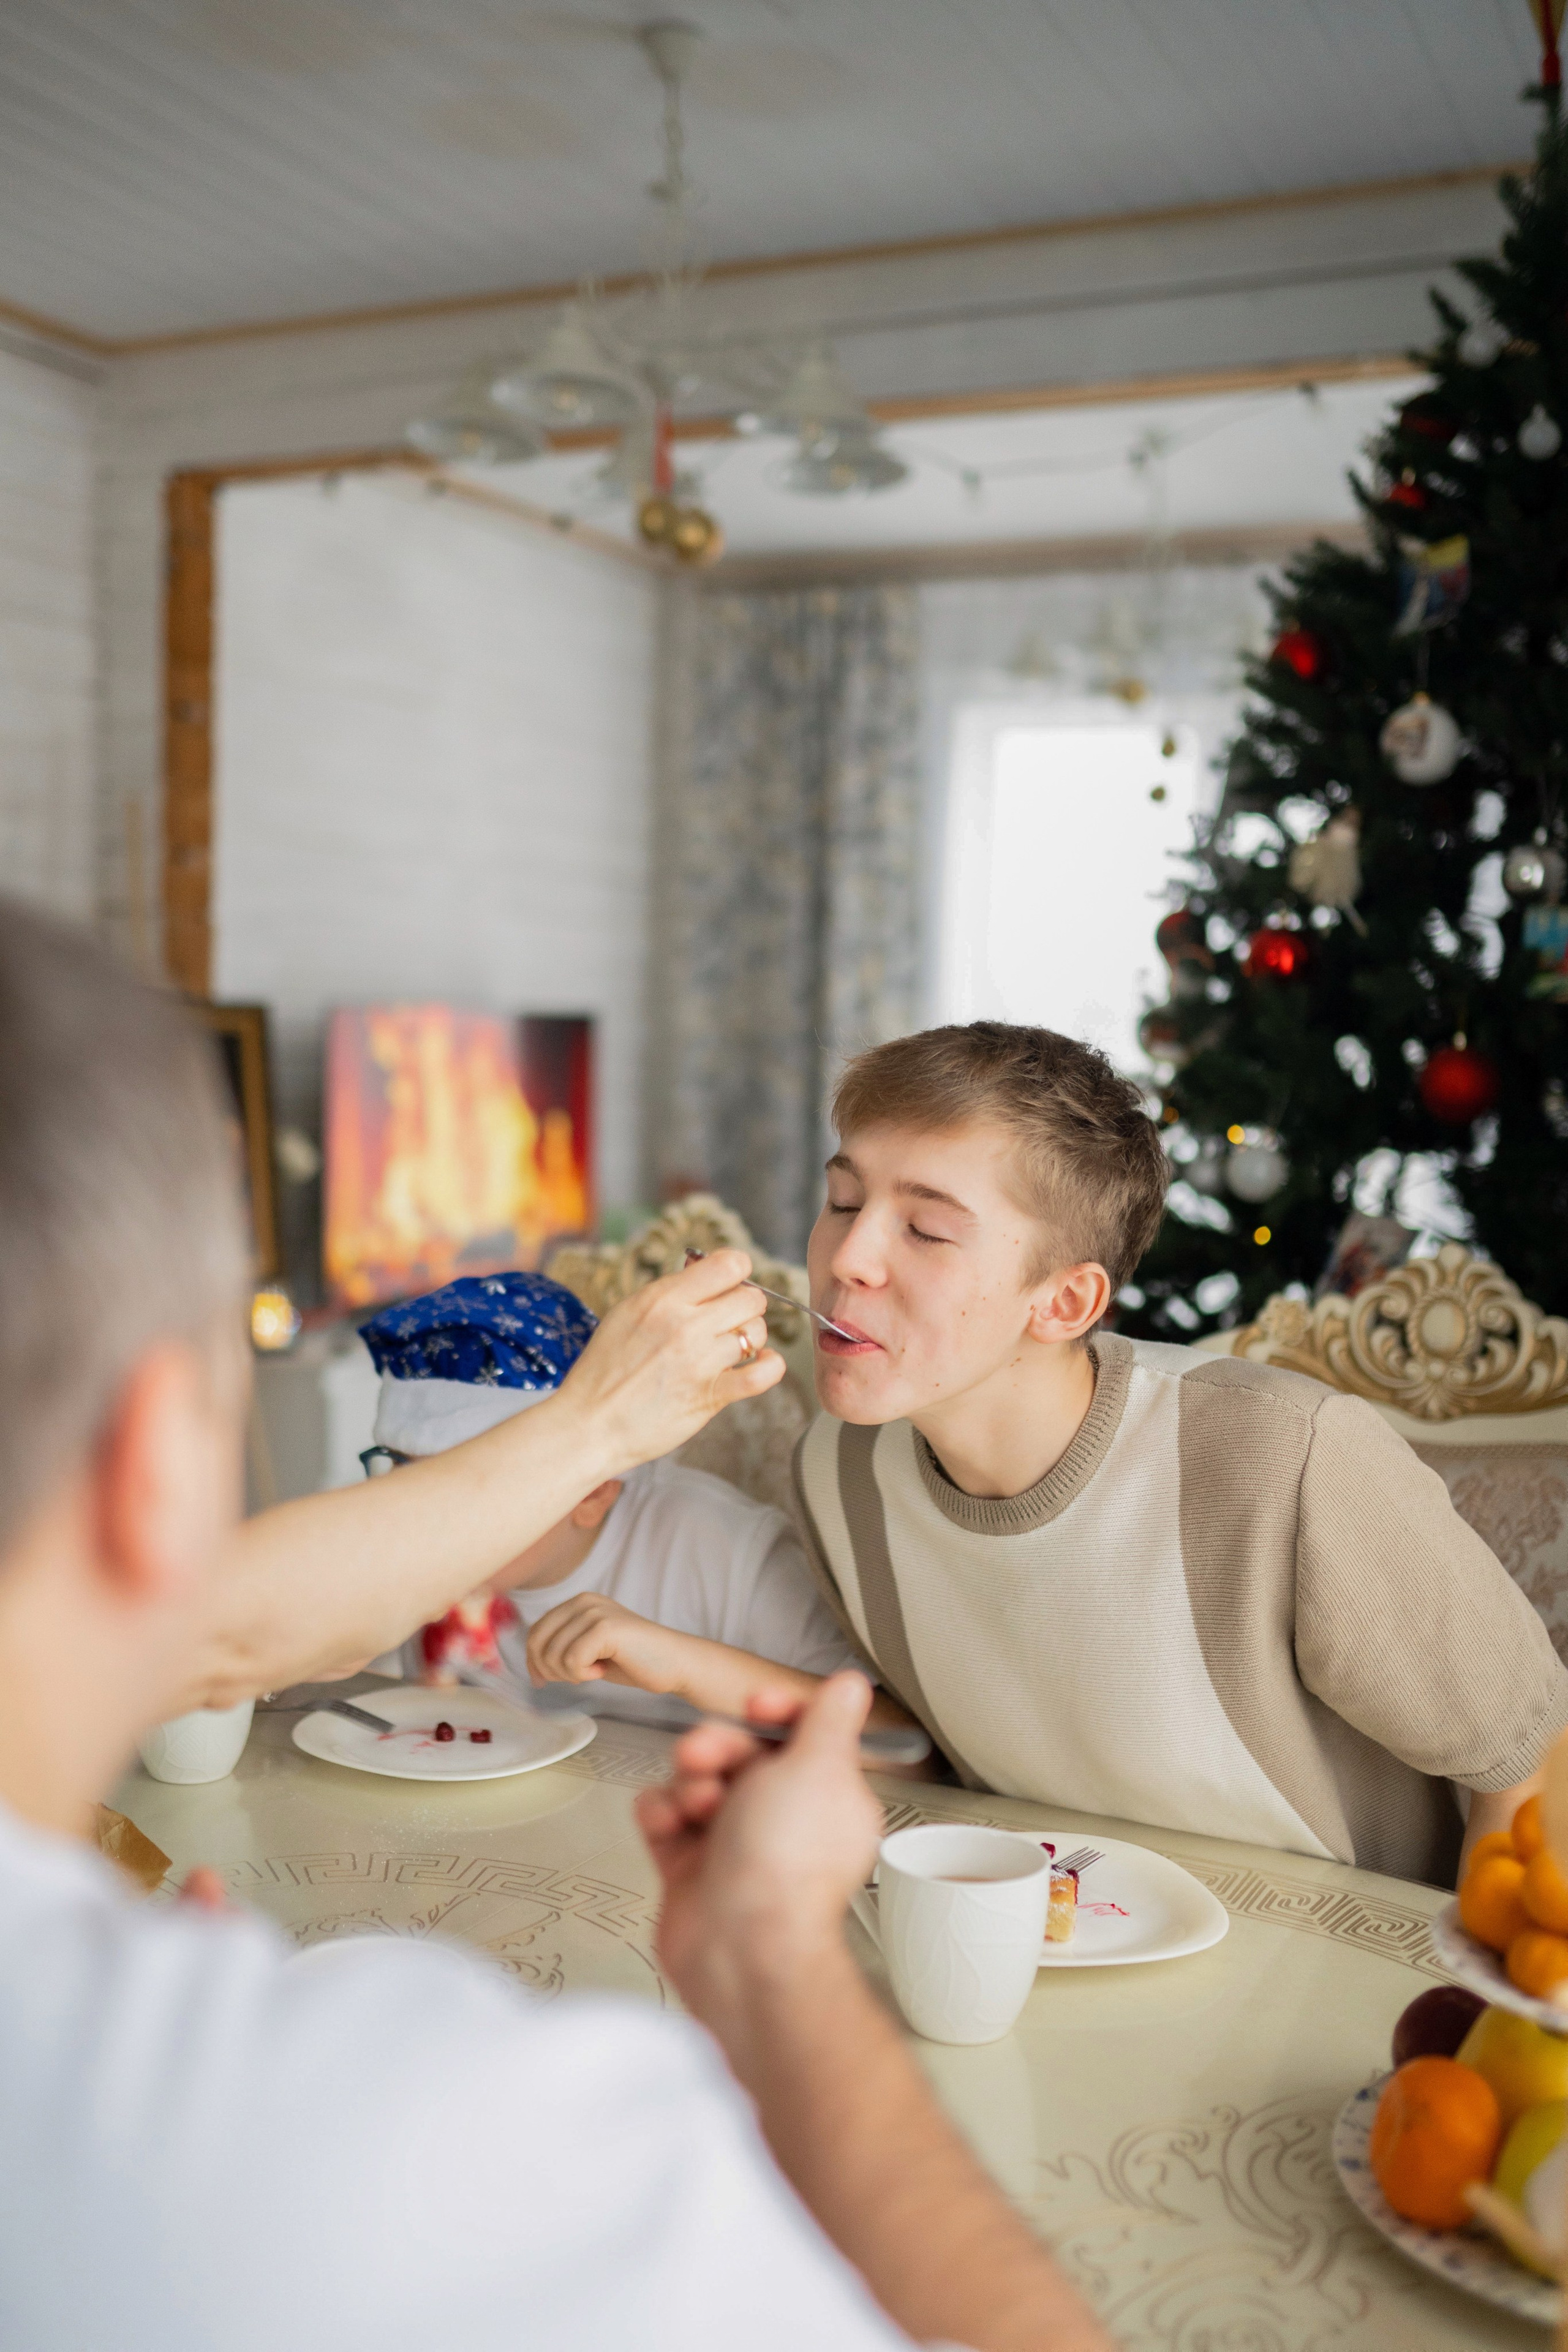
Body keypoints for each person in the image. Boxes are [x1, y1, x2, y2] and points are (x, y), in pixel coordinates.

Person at [0, 903, 1107, 2352]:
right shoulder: (423, 2131)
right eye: (842, 1201)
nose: (850, 1258)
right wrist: (777, 1966)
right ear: (155, 1461)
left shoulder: (786, 1516)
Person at [568, 1020, 1568, 1887]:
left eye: (924, 1228)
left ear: (1067, 1303)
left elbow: (1530, 1760)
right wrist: (676, 1664)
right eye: (843, 1200)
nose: (848, 1258)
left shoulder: (1283, 1458)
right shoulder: (841, 1471)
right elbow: (930, 1748)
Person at [355, 1269, 864, 1700]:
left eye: (471, 1488)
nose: (423, 1520)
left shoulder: (723, 1552)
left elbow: (898, 1746)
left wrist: (684, 1664)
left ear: (593, 1494)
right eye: (405, 1472)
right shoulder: (411, 1568)